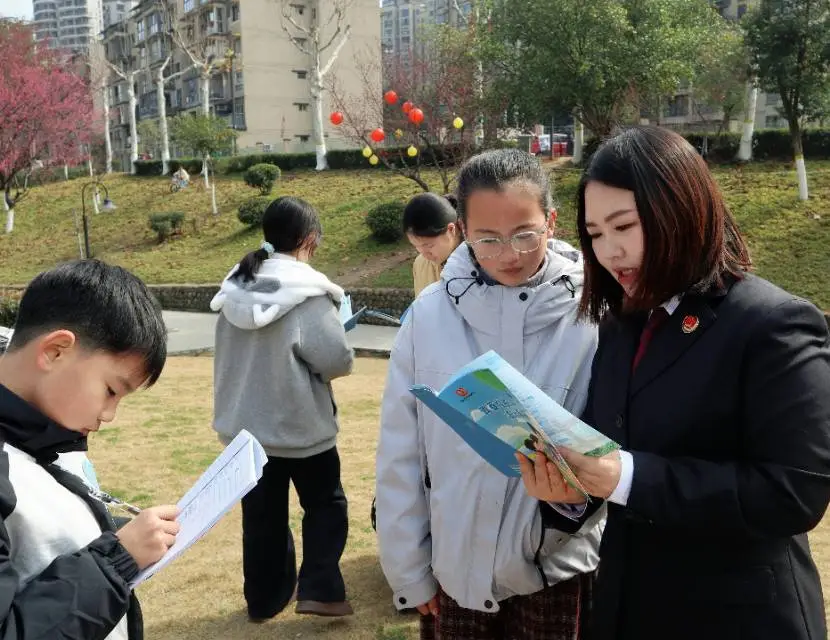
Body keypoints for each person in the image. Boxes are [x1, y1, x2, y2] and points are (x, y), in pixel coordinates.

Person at [518, 125, 830, 640]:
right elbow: (607, 449)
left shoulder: (772, 323)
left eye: (624, 226)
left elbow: (793, 493)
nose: (609, 251)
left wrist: (625, 477)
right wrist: (568, 491)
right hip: (629, 606)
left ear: (680, 210)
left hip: (738, 616)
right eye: (595, 234)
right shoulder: (621, 325)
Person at [376, 148, 604, 640]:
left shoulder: (595, 315)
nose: (509, 254)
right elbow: (400, 453)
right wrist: (409, 569)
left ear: (551, 222)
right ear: (461, 229)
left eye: (525, 234)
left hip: (559, 571)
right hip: (455, 571)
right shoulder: (428, 316)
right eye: (487, 239)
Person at [0, 259, 180, 640]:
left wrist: (115, 535)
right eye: (111, 390)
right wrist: (116, 561)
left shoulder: (49, 433)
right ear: (55, 351)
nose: (109, 415)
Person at [210, 196, 355, 622]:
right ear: (309, 239)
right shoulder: (309, 294)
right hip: (301, 426)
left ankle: (265, 599)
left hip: (244, 429)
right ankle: (320, 590)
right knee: (325, 505)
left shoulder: (235, 287)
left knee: (261, 518)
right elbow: (335, 360)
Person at [403, 192, 463, 296]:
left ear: (450, 229)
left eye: (429, 245)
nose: (425, 255)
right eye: (416, 246)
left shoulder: (481, 262)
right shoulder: (421, 264)